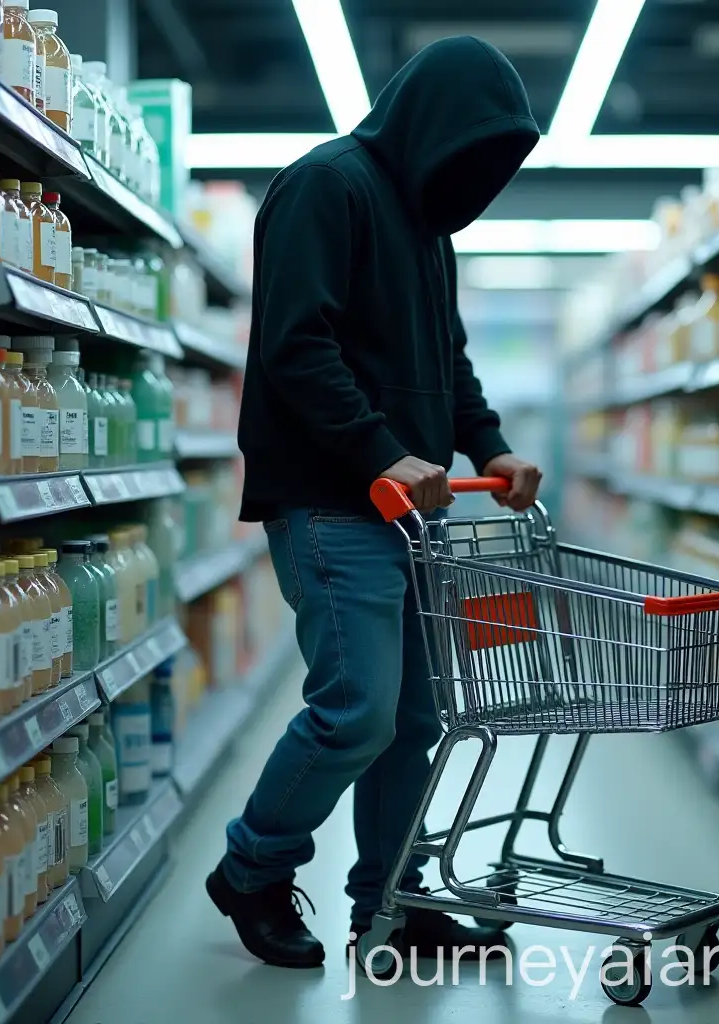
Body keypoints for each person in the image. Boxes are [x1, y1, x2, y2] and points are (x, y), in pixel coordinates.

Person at [206, 36, 543, 969]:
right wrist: (383, 453)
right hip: (329, 502)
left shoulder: (430, 227)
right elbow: (296, 347)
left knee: (418, 718)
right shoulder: (327, 185)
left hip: (411, 509)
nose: (481, 180)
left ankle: (388, 902)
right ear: (432, 125)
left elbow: (448, 364)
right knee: (357, 707)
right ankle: (252, 872)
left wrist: (493, 446)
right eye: (476, 153)